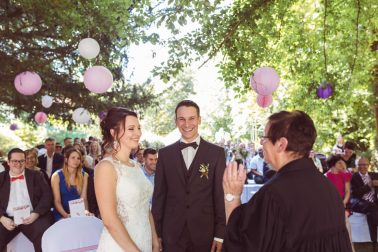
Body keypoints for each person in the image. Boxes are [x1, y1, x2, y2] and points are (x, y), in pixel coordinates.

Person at [222, 110, 352, 251]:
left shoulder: (273, 194)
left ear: (281, 144)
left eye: (264, 138)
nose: (261, 143)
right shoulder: (327, 186)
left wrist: (232, 196)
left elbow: (244, 243)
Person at [152, 100, 226, 252]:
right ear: (176, 121)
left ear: (199, 120)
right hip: (171, 234)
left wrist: (220, 234)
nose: (187, 124)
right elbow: (159, 197)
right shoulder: (165, 154)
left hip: (205, 233)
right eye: (182, 119)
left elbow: (219, 196)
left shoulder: (216, 153)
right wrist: (156, 234)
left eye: (192, 118)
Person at [95, 107, 159, 251]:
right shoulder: (106, 167)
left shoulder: (136, 166)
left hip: (144, 241)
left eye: (138, 128)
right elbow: (109, 220)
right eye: (131, 128)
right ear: (114, 132)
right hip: (120, 246)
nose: (138, 133)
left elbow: (145, 207)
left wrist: (155, 241)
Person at [0, 148, 53, 252]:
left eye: (21, 161)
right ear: (8, 162)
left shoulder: (37, 175)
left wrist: (36, 213)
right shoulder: (1, 178)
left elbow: (47, 195)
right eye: (15, 161)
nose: (18, 164)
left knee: (44, 237)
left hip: (32, 216)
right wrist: (2, 218)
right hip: (7, 218)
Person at [51, 148, 90, 222]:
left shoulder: (85, 175)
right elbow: (57, 201)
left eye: (78, 158)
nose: (76, 160)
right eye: (73, 158)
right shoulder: (56, 176)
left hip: (79, 212)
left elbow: (84, 198)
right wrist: (66, 215)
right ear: (66, 159)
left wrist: (86, 211)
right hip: (61, 212)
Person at [325, 155, 354, 251]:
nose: (342, 164)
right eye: (339, 163)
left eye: (342, 162)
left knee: (345, 219)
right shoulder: (325, 177)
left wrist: (343, 202)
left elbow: (347, 192)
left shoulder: (345, 175)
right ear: (333, 165)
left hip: (343, 203)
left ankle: (350, 247)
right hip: (330, 205)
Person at [350, 156, 378, 251]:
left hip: (372, 203)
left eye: (365, 164)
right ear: (356, 166)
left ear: (368, 165)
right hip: (358, 202)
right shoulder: (353, 177)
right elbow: (355, 193)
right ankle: (375, 244)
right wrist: (369, 185)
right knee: (372, 207)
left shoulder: (374, 175)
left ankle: (374, 243)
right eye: (360, 165)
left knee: (372, 211)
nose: (362, 167)